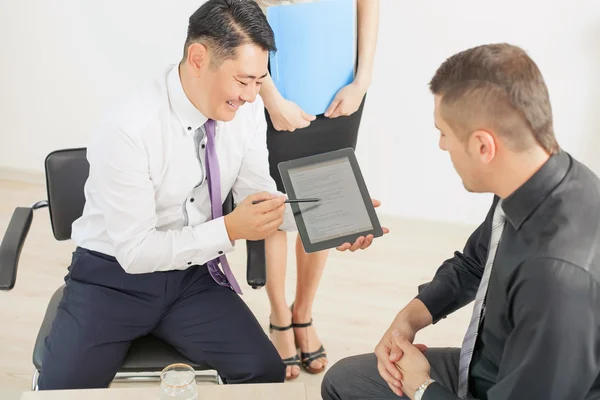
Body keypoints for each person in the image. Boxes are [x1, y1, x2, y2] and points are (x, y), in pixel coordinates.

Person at [37, 0, 381, 390]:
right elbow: (135, 253)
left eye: (259, 81)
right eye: (243, 80)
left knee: (264, 372)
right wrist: (229, 229)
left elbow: (260, 200)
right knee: (59, 391)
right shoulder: (128, 127)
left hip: (191, 278)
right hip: (111, 277)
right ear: (198, 58)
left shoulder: (245, 111)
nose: (253, 97)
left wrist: (334, 216)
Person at [321, 43, 600, 400]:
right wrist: (408, 320)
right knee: (345, 382)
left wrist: (422, 387)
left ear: (484, 147)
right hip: (493, 366)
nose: (441, 145)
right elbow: (474, 263)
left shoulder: (556, 275)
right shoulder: (534, 177)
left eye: (443, 133)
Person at [253, 0, 380, 380]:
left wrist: (363, 80)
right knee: (274, 207)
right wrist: (269, 94)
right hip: (277, 87)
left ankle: (303, 312)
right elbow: (242, 10)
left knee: (323, 202)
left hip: (342, 90)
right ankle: (278, 315)